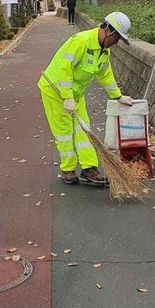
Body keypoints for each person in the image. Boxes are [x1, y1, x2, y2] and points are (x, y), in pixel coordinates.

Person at [39, 11, 134, 186]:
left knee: (84, 130)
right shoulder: (81, 42)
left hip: (75, 94)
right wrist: (66, 97)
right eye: (117, 38)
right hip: (54, 90)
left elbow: (105, 75)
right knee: (65, 132)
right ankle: (67, 168)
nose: (116, 42)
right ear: (109, 31)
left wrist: (118, 97)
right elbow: (64, 69)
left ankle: (89, 168)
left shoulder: (103, 52)